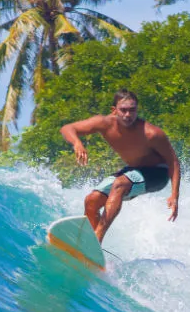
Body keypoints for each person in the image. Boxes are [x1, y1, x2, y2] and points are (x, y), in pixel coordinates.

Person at [59, 90, 181, 243]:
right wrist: (77, 142)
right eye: (123, 110)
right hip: (133, 171)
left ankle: (98, 239)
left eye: (132, 110)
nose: (128, 115)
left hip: (157, 174)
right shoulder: (104, 123)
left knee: (120, 183)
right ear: (114, 110)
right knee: (91, 200)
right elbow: (67, 128)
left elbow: (174, 162)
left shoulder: (152, 133)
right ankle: (92, 247)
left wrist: (174, 195)